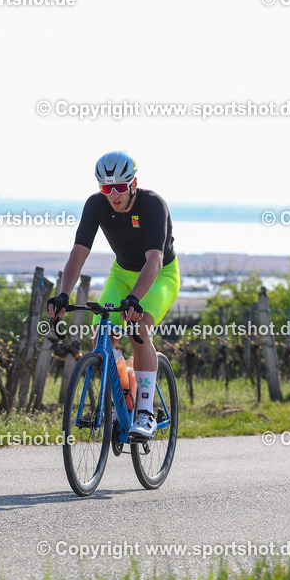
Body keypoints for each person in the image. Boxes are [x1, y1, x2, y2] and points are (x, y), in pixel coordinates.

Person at [47, 151, 180, 439]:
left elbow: (155, 259)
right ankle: (121, 397)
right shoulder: (96, 205)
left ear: (133, 182)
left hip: (158, 275)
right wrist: (63, 294)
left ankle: (144, 411)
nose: (113, 195)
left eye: (119, 187)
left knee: (139, 328)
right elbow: (79, 252)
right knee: (102, 333)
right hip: (121, 274)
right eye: (106, 188)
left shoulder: (153, 204)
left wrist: (135, 299)